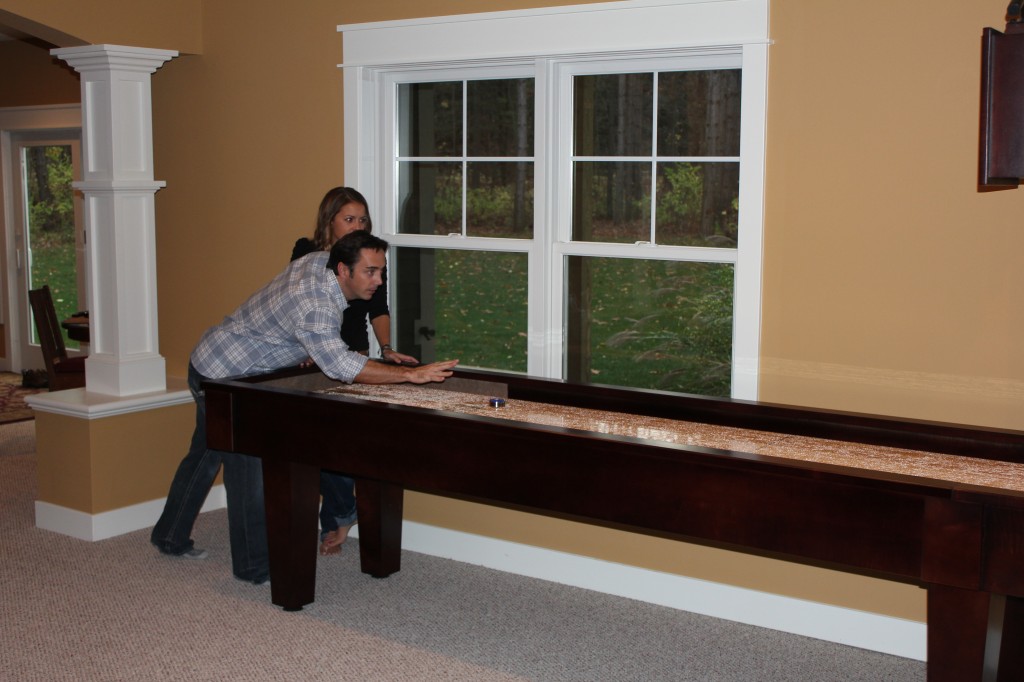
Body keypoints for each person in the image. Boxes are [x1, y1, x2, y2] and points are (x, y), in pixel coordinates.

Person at [151, 230, 457, 583]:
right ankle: (255, 569)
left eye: (381, 271)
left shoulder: (318, 261)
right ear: (343, 270)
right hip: (225, 375)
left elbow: (306, 332)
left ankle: (169, 536)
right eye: (370, 272)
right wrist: (410, 376)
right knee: (248, 467)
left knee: (205, 455)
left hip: (221, 361)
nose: (378, 280)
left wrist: (303, 345)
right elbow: (341, 366)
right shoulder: (316, 305)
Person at [291, 187, 417, 556]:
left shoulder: (369, 258)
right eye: (349, 219)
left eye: (362, 219)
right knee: (315, 442)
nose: (357, 225)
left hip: (353, 357)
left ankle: (339, 516)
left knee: (348, 443)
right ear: (328, 222)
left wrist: (388, 349)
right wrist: (304, 348)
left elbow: (378, 307)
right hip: (314, 358)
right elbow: (296, 303)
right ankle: (342, 513)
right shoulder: (308, 254)